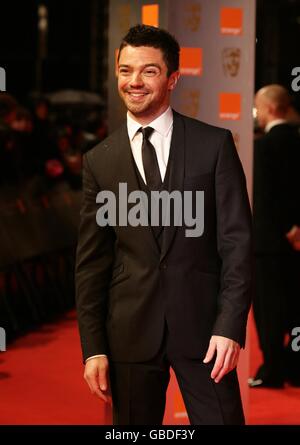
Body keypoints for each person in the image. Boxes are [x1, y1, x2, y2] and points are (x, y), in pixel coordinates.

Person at [75, 25, 252, 425]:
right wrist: (93, 347)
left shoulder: (214, 145)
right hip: (129, 334)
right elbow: (91, 264)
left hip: (207, 334)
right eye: (125, 70)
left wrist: (230, 326)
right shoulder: (99, 161)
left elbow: (237, 244)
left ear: (173, 78)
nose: (133, 81)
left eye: (148, 71)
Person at [249, 84, 300, 388]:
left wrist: (287, 229)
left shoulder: (263, 147)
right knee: (296, 306)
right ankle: (296, 367)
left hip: (269, 245)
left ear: (269, 109)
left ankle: (273, 370)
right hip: (297, 245)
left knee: (269, 309)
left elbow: (266, 197)